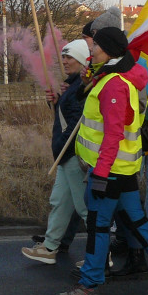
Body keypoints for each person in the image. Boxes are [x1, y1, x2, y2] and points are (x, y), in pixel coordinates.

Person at [57, 27, 148, 295]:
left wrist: (99, 174)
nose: (91, 50)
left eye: (95, 46)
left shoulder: (114, 84)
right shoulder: (112, 77)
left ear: (109, 50)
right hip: (121, 170)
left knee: (98, 227)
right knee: (139, 222)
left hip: (109, 172)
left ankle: (88, 286)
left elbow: (114, 133)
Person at [22, 40, 90, 264]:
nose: (65, 61)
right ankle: (50, 247)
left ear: (82, 61)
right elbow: (66, 115)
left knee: (85, 208)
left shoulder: (81, 86)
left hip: (73, 154)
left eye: (70, 57)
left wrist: (62, 148)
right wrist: (57, 102)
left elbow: (76, 123)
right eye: (63, 57)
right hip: (65, 154)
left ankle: (99, 255)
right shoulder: (71, 86)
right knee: (60, 201)